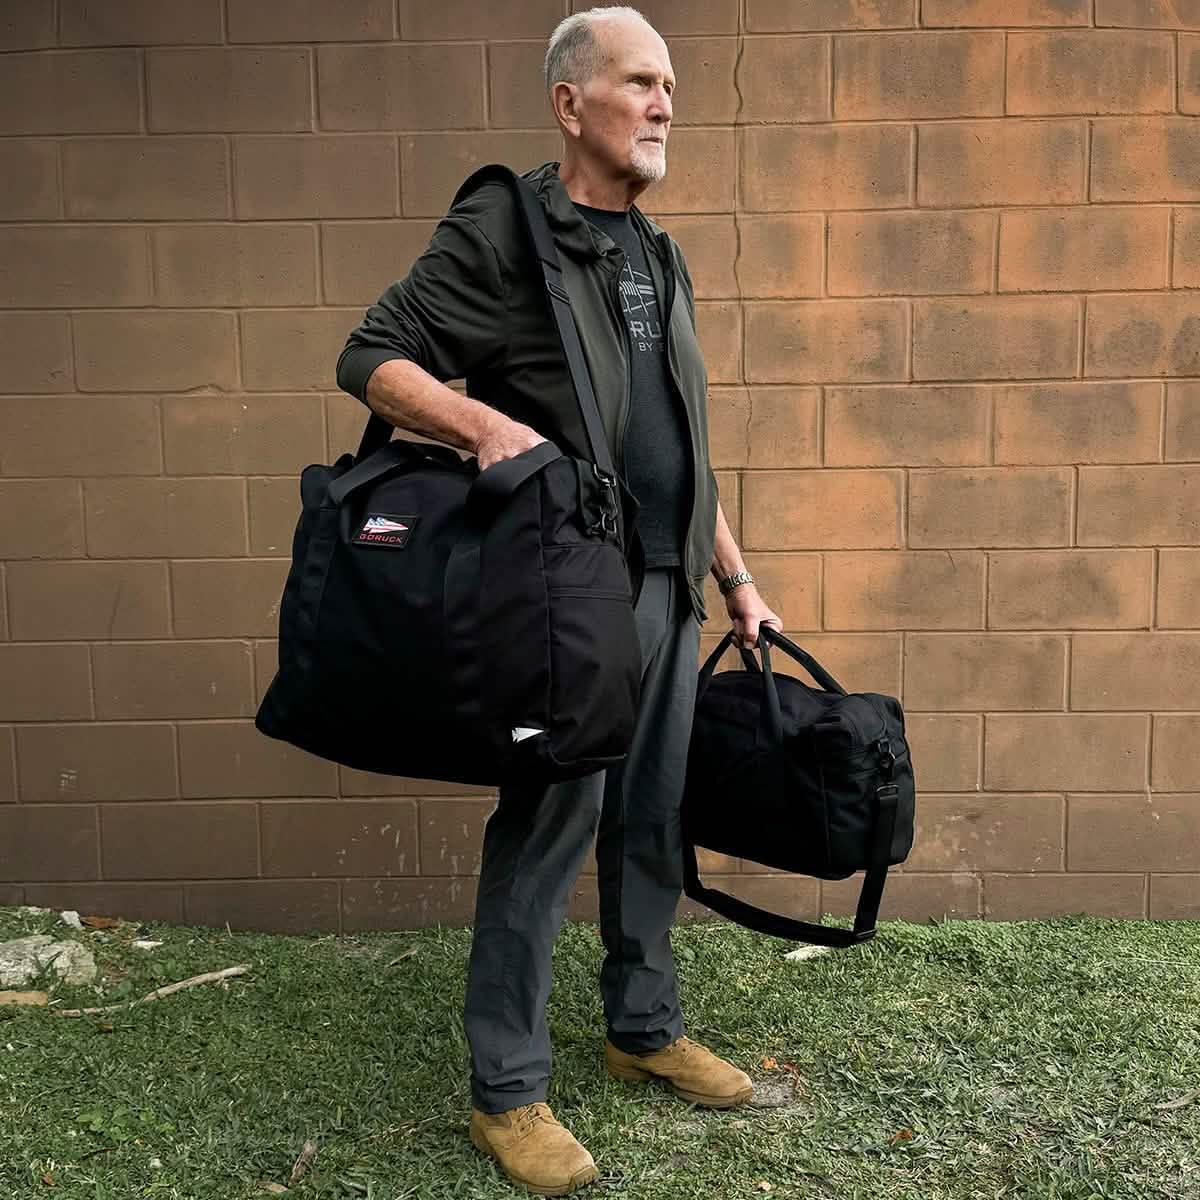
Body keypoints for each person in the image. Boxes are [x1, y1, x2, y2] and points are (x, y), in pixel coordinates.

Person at [335, 6, 783, 1192]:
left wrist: (732, 574)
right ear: (570, 101)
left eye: (670, 84)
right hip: (568, 593)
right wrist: (485, 426)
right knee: (547, 826)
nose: (664, 102)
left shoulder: (659, 253)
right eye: (640, 81)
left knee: (651, 816)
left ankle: (642, 1030)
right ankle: (509, 1091)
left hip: (670, 583)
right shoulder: (505, 228)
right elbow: (372, 354)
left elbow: (676, 443)